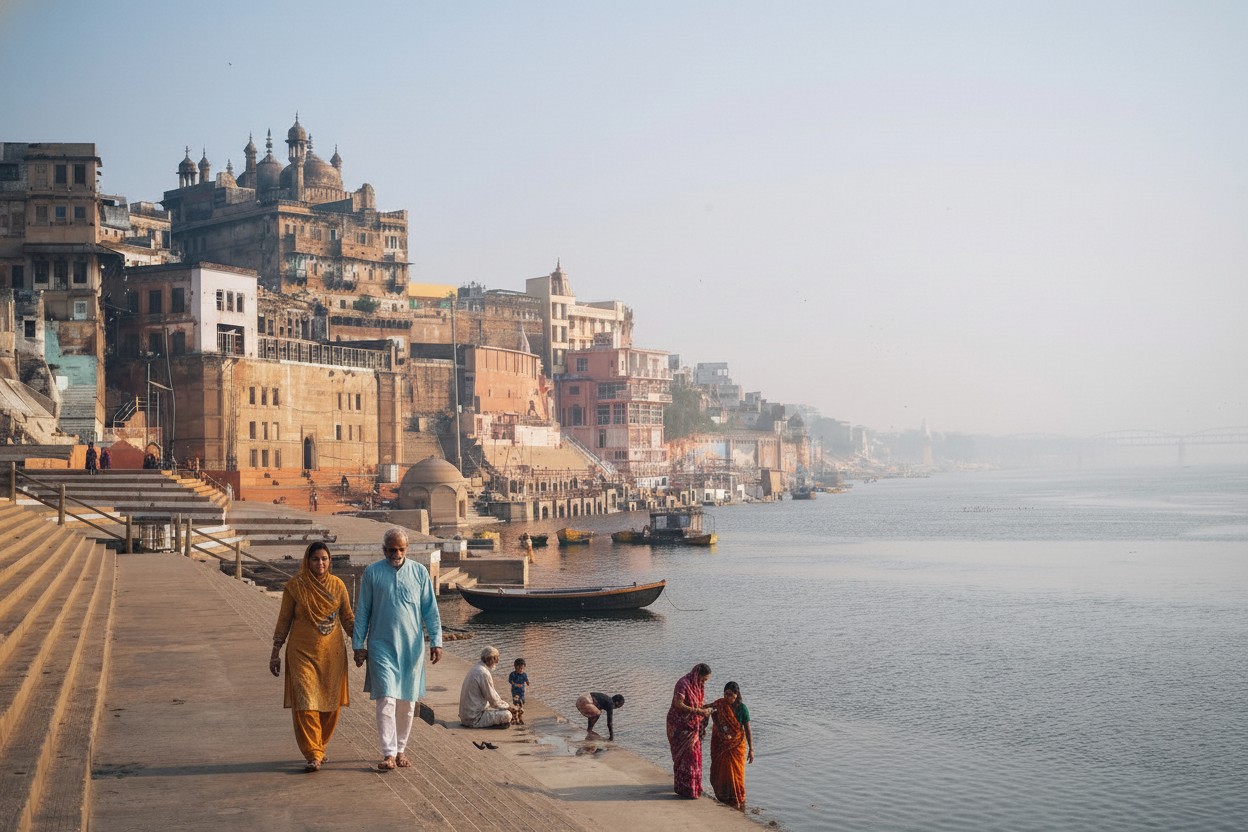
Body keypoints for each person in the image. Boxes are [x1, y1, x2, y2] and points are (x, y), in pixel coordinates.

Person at [352, 528, 443, 772]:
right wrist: (358, 645)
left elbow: (430, 610)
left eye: (401, 549)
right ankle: (389, 753)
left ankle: (401, 749)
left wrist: (436, 641)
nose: (397, 554)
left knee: (407, 702)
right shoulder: (372, 573)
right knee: (385, 699)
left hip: (411, 647)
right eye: (392, 550)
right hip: (381, 646)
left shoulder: (419, 572)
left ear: (407, 549)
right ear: (384, 550)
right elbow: (363, 611)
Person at [269, 542, 354, 772]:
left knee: (330, 705)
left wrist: (360, 647)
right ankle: (313, 754)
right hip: (301, 653)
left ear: (330, 561)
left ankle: (320, 746)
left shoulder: (337, 585)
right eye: (315, 559)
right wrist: (275, 652)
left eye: (324, 559)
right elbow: (284, 620)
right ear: (307, 561)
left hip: (332, 655)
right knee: (306, 702)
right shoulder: (295, 587)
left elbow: (347, 618)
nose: (320, 563)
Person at [666, 663, 714, 799]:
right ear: (697, 675)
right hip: (679, 726)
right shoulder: (683, 684)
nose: (703, 683)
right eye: (703, 679)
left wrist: (708, 709)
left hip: (692, 727)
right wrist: (698, 711)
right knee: (686, 758)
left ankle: (693, 787)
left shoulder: (698, 687)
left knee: (695, 757)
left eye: (706, 681)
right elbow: (678, 704)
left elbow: (698, 704)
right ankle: (684, 788)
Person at [709, 681, 754, 810]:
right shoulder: (720, 704)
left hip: (737, 746)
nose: (728, 697)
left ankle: (738, 798)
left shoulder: (742, 708)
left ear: (736, 695)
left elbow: (748, 729)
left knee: (737, 773)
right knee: (722, 771)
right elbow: (706, 709)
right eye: (726, 694)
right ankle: (724, 796)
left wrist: (751, 749)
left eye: (731, 695)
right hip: (721, 745)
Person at [459, 646, 517, 728]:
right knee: (507, 715)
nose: (497, 661)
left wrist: (504, 705)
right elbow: (492, 699)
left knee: (498, 709)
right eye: (496, 658)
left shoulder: (476, 668)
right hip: (474, 719)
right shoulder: (483, 673)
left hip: (466, 716)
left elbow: (492, 695)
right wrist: (508, 708)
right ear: (491, 659)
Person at [508, 658, 529, 725]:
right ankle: (516, 718)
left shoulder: (524, 674)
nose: (521, 670)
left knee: (522, 703)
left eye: (522, 668)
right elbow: (510, 681)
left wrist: (527, 682)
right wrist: (515, 685)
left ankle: (520, 717)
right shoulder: (513, 674)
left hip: (522, 692)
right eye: (520, 668)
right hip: (515, 691)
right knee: (517, 704)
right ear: (515, 667)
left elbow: (526, 679)